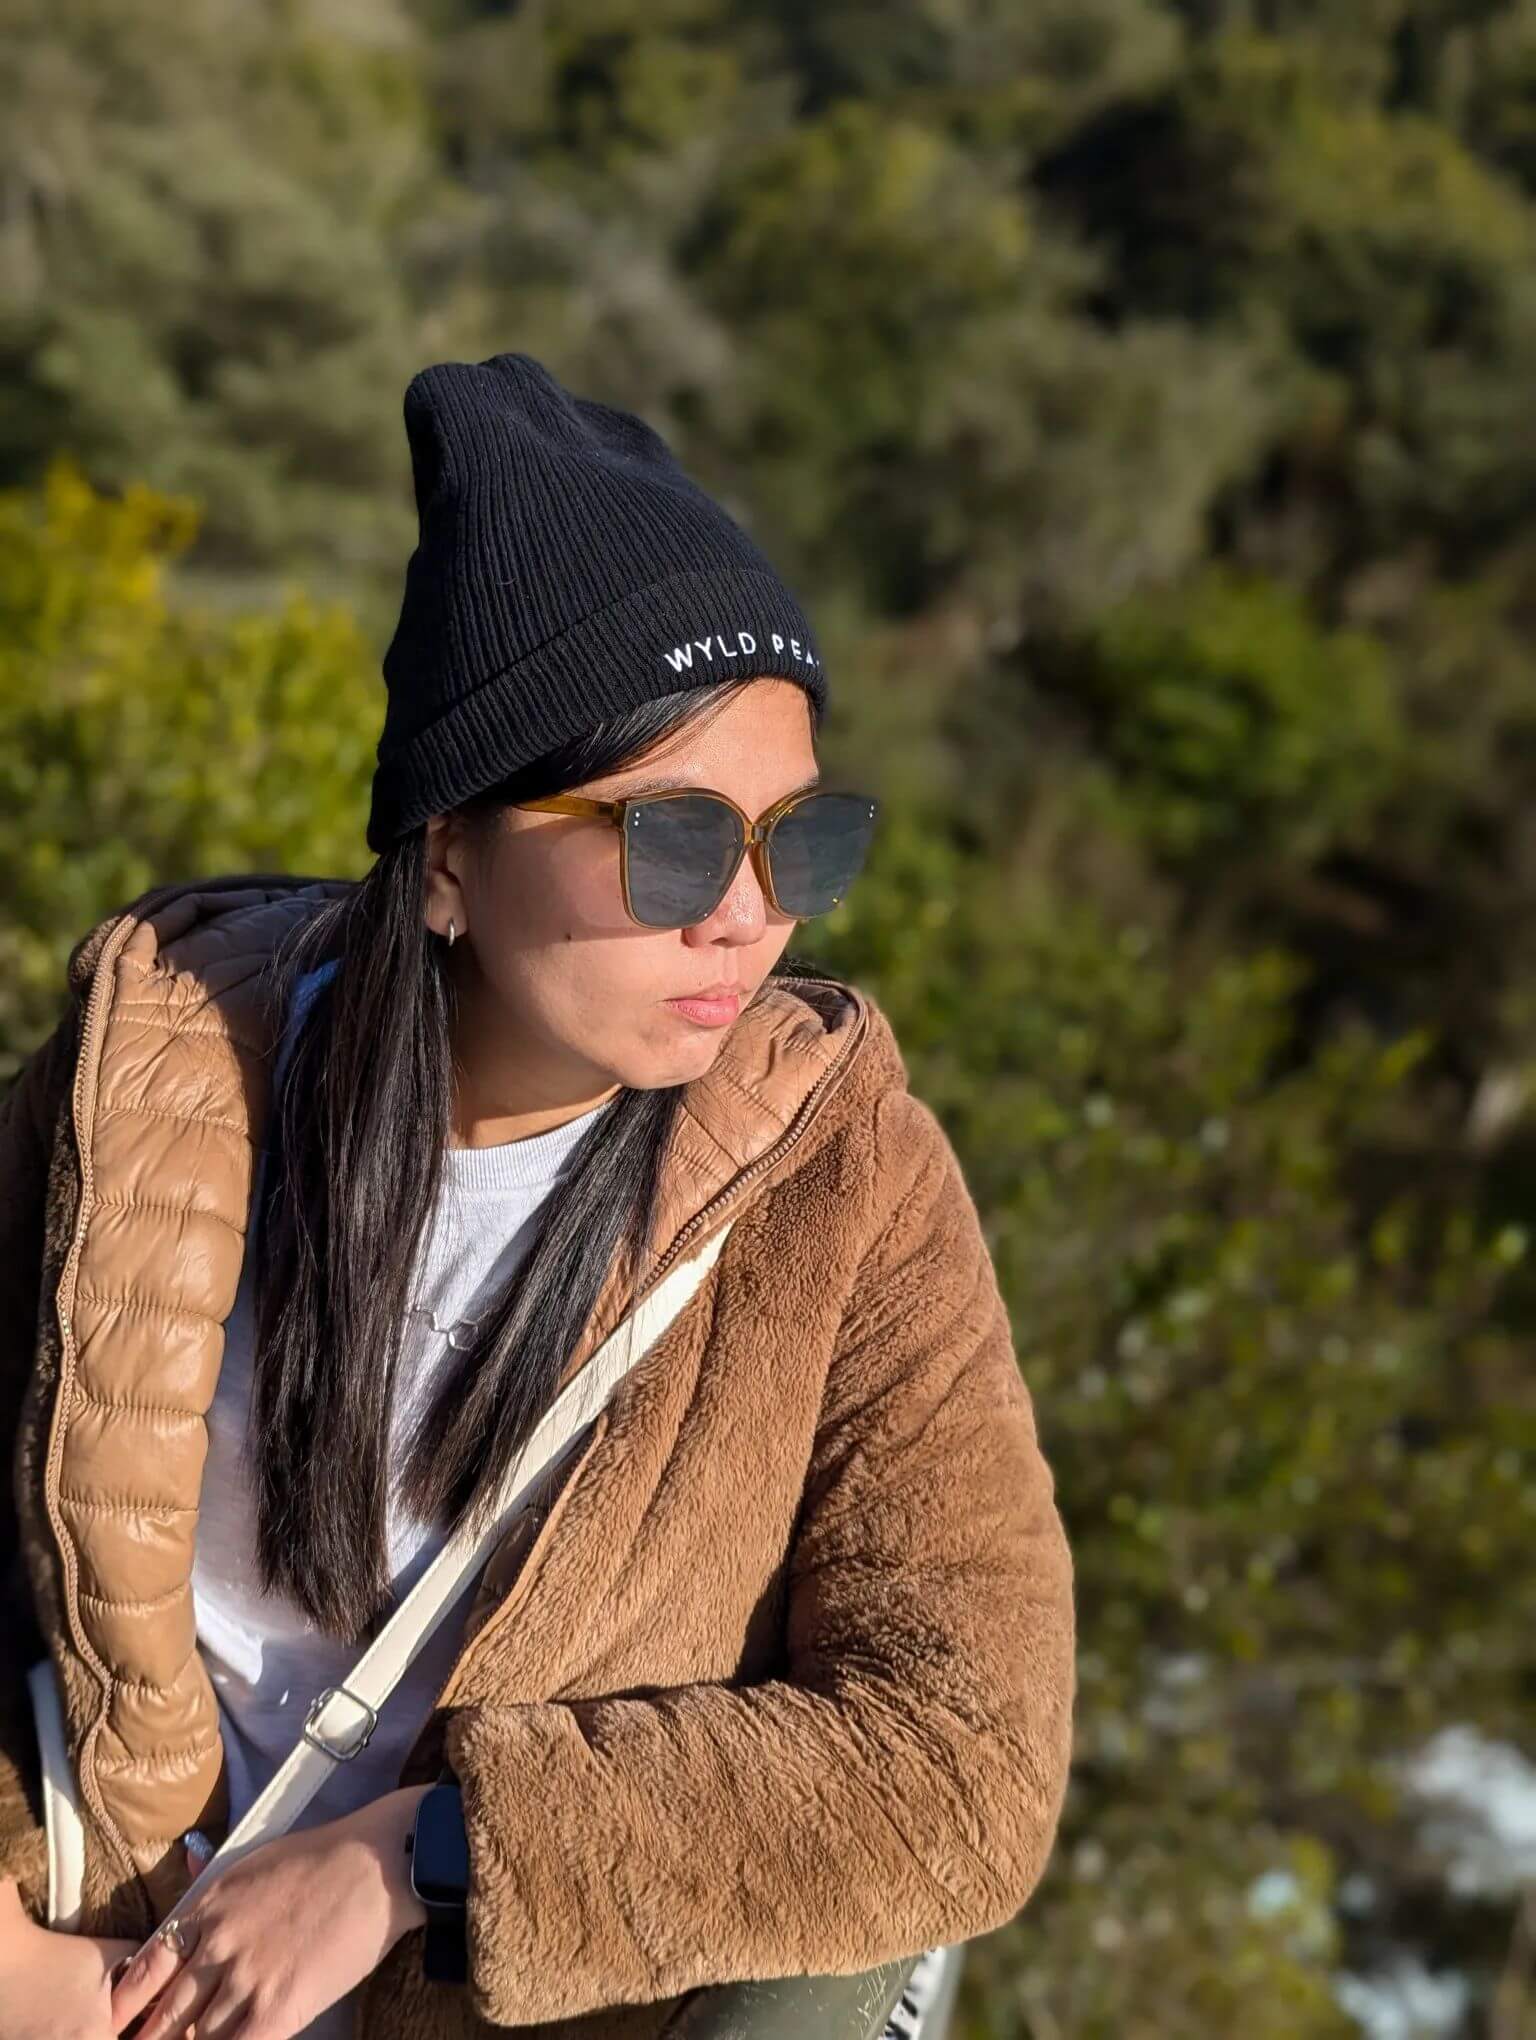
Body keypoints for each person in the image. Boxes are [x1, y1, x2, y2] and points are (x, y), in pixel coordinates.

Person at [0, 353, 1076, 2040]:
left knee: (842, 1982)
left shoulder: (844, 1179)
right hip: (109, 1962)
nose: (745, 917)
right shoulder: (152, 1091)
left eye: (804, 842)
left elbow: (964, 1761)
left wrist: (415, 1858)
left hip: (523, 2004)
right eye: (671, 844)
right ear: (446, 855)